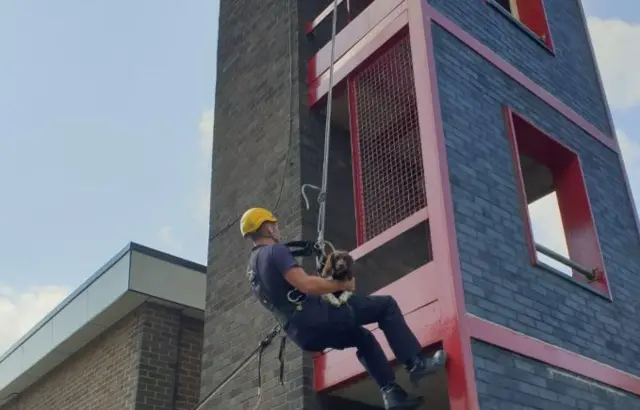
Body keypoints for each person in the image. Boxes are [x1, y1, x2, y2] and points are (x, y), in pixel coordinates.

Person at [241, 207, 447, 410]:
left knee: (362, 338)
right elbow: (306, 285)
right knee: (386, 306)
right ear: (267, 228)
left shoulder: (252, 270)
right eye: (274, 224)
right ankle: (415, 364)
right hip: (320, 316)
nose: (277, 228)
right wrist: (342, 285)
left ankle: (393, 394)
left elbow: (290, 293)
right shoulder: (275, 251)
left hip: (304, 335)